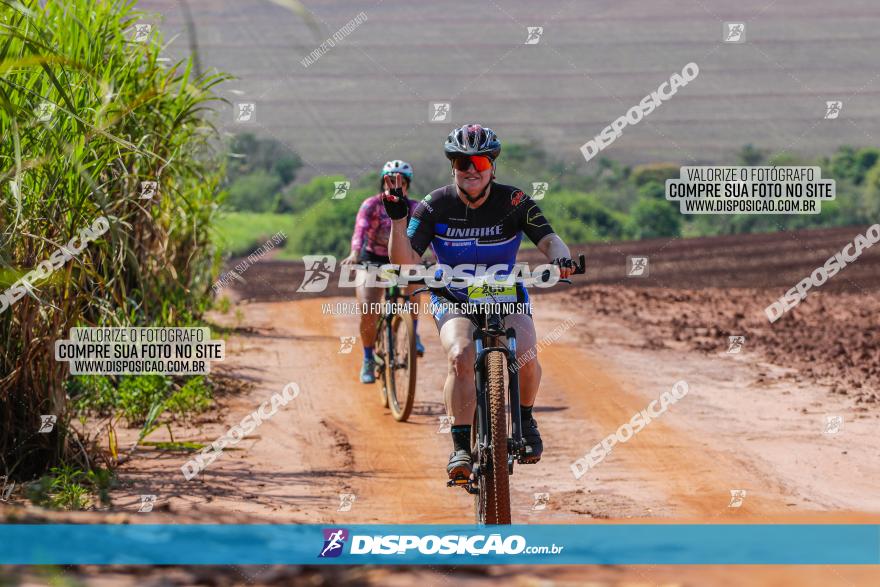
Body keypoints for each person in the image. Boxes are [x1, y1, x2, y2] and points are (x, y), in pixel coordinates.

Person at [382, 124, 578, 479]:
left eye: (479, 162)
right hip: (453, 295)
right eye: (461, 161)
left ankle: (526, 419)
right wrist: (398, 221)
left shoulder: (514, 201)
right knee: (460, 354)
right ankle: (460, 445)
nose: (470, 168)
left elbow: (550, 240)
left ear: (492, 166)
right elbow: (404, 264)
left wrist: (561, 260)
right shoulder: (434, 204)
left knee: (526, 353)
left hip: (504, 293)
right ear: (452, 166)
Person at [342, 160, 423, 384]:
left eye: (400, 182)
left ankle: (413, 332)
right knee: (369, 309)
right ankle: (368, 357)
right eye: (390, 181)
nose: (394, 186)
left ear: (407, 186)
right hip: (372, 258)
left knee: (415, 285)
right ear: (383, 183)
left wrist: (434, 257)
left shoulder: (415, 207)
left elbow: (427, 235)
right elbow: (360, 229)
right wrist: (355, 253)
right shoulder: (372, 205)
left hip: (403, 259)